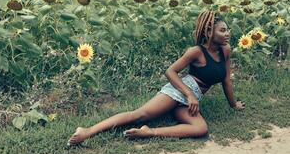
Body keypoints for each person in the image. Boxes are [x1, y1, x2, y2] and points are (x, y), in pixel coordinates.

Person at [68, 10, 245, 145]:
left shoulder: (225, 51)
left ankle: (149, 132)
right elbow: (170, 72)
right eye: (223, 30)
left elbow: (226, 80)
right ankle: (87, 131)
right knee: (139, 115)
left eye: (228, 30)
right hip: (179, 91)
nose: (228, 33)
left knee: (201, 129)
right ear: (209, 32)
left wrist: (233, 104)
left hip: (192, 99)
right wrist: (189, 95)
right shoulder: (196, 52)